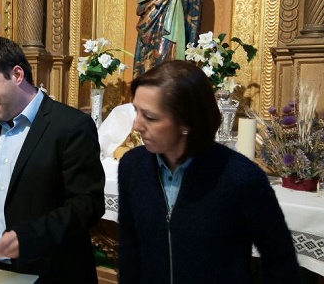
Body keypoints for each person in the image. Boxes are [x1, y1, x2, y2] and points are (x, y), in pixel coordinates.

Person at [0, 36, 105, 283]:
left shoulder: (71, 126)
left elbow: (87, 204)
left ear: (17, 75)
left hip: (49, 270)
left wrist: (29, 236)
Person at [117, 60, 301, 283]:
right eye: (136, 111)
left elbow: (280, 261)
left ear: (187, 121)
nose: (136, 125)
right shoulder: (132, 166)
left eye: (150, 117)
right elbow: (129, 244)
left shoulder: (241, 178)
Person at [131, 0, 203, 74]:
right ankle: (146, 87)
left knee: (164, 56)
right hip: (151, 8)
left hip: (173, 10)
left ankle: (168, 88)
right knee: (146, 56)